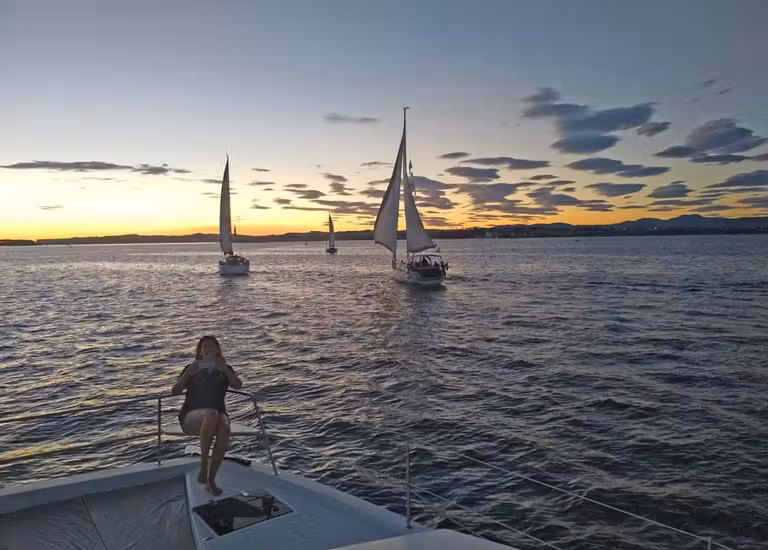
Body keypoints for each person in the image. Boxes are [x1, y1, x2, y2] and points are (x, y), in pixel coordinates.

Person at [171, 335, 242, 496]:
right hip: (191, 416)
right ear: (200, 351)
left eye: (212, 346)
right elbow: (175, 391)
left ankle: (211, 480)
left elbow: (238, 385)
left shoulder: (225, 368)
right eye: (205, 346)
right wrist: (187, 374)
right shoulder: (192, 368)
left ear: (217, 350)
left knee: (224, 427)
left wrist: (224, 370)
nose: (209, 349)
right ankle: (204, 465)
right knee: (211, 414)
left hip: (218, 414)